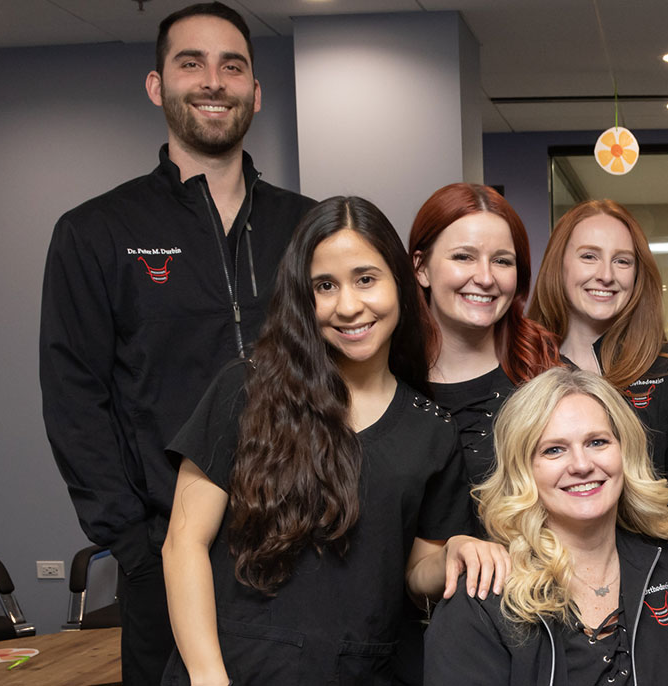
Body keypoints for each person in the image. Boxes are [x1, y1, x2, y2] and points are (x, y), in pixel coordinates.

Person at [37, 4, 316, 682]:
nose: (213, 81)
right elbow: (74, 398)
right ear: (157, 86)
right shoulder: (97, 231)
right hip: (166, 554)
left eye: (232, 66)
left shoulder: (308, 227)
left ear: (256, 91)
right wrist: (133, 544)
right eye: (191, 63)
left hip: (307, 548)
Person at [160, 197, 508, 686]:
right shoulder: (246, 389)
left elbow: (416, 574)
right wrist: (207, 676)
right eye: (325, 286)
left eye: (366, 279)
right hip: (233, 670)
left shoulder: (431, 428)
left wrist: (454, 552)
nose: (348, 306)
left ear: (400, 282)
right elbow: (184, 544)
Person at [424, 368, 668, 686]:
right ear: (523, 470)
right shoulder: (483, 595)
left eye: (597, 442)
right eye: (554, 449)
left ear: (624, 452)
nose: (581, 465)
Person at [527, 200, 668, 534]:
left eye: (622, 261)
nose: (606, 275)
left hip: (661, 561)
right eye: (589, 256)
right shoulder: (522, 370)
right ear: (559, 265)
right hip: (547, 560)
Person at [409, 183, 563, 480]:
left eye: (501, 261)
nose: (485, 278)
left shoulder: (547, 375)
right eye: (463, 257)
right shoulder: (386, 378)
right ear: (421, 268)